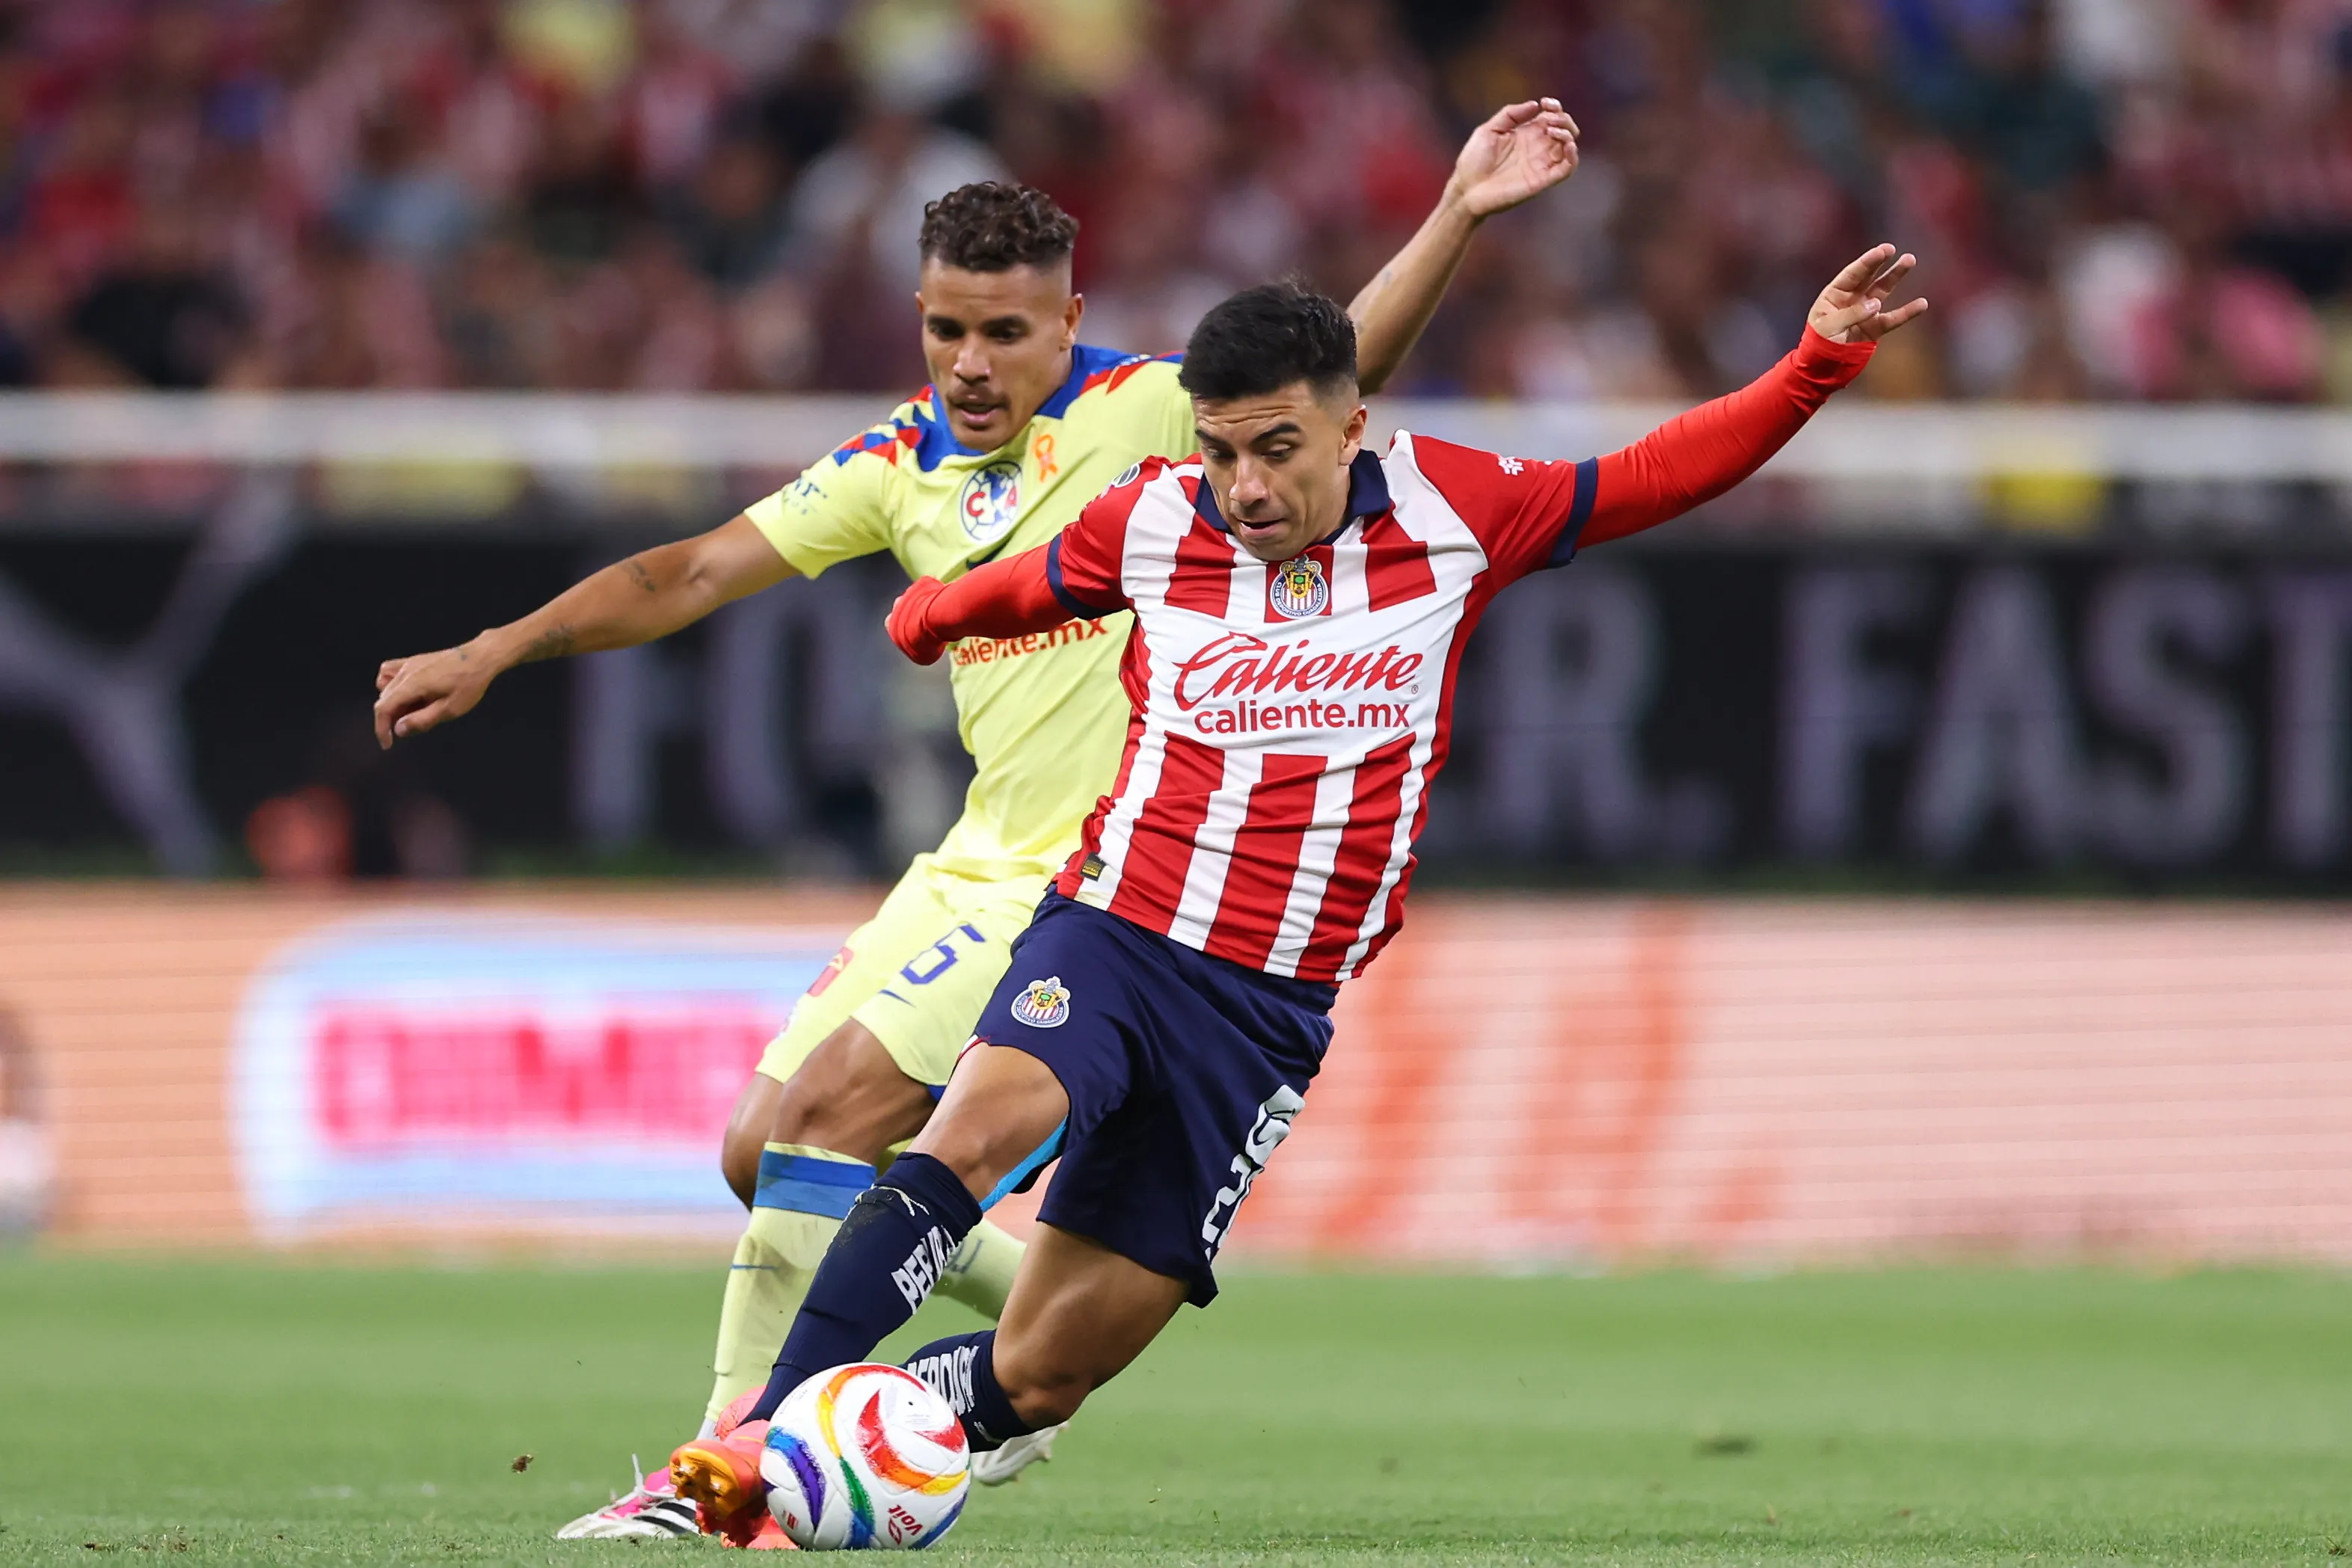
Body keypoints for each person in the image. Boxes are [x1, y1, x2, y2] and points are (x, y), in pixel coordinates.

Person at [369, 100, 1583, 1543]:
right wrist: (498, 646)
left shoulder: (1149, 415)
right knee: (767, 1152)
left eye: (1008, 332)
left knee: (827, 1118)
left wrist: (1456, 213)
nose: (973, 363)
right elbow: (691, 573)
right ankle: (1015, 1375)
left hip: (1113, 872)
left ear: (1069, 320)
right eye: (948, 328)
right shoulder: (897, 465)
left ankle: (718, 1482)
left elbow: (1342, 369)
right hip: (974, 859)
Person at [664, 245, 1926, 1535]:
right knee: (969, 1131)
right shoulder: (1152, 517)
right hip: (1115, 929)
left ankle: (894, 1430)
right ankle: (769, 1427)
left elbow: (1656, 474)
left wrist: (1815, 362)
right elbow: (1011, 591)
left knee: (1046, 1368)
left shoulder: (1455, 509)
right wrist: (930, 616)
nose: (1245, 486)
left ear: (1350, 423)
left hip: (1266, 1010)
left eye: (1276, 448)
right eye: (1220, 451)